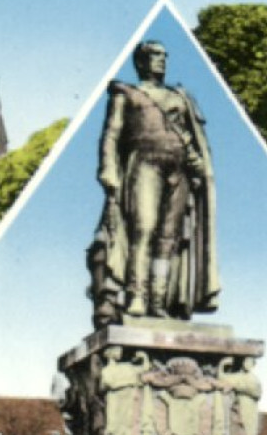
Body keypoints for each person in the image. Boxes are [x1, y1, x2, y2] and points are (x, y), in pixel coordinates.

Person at [89, 41, 220, 326]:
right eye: (154, 56)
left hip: (179, 170)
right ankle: (137, 296)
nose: (161, 61)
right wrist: (108, 168)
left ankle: (158, 302)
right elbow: (111, 135)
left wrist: (197, 166)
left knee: (168, 239)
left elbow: (191, 135)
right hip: (144, 165)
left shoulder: (179, 97)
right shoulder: (127, 94)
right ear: (141, 62)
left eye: (164, 55)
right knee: (143, 229)